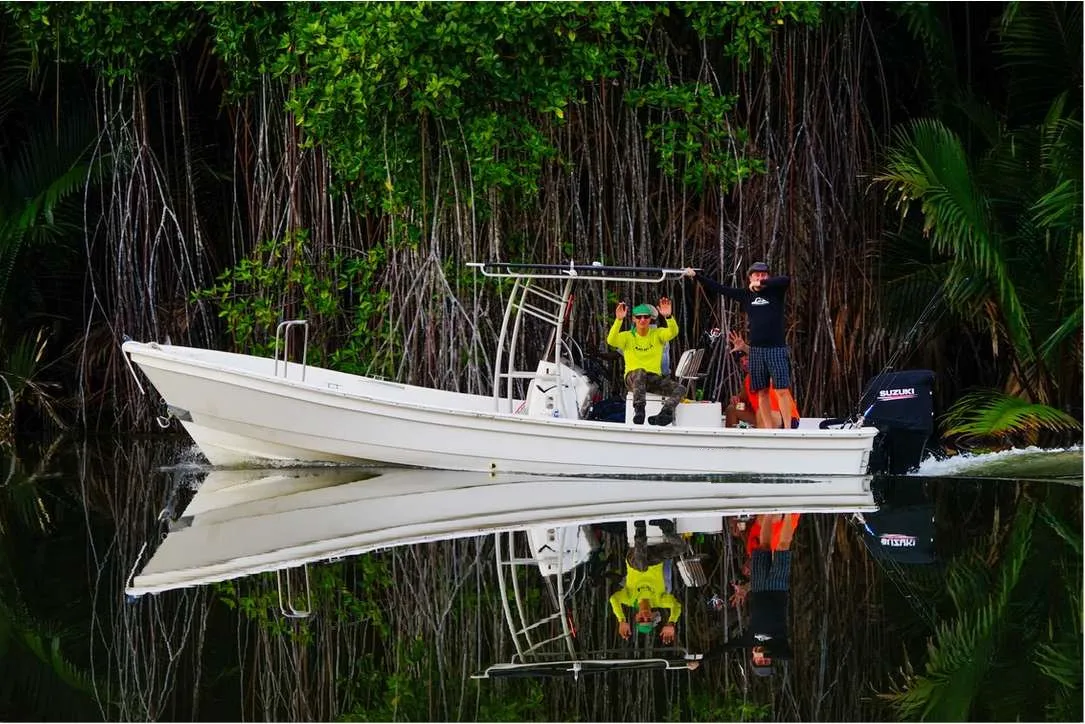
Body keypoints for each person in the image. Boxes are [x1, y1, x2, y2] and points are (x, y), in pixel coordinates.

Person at [684, 262, 797, 429]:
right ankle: (768, 429)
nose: (760, 277)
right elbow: (720, 288)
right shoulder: (746, 295)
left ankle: (788, 429)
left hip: (776, 348)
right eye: (756, 275)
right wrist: (696, 276)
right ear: (749, 277)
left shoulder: (775, 292)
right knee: (762, 392)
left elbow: (786, 280)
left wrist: (762, 284)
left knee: (781, 390)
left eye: (763, 274)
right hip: (757, 350)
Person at [726, 513, 798, 676]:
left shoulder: (750, 639)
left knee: (763, 546)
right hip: (778, 588)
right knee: (783, 546)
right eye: (767, 661)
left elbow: (726, 647)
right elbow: (788, 656)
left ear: (752, 657)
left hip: (759, 587)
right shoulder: (779, 645)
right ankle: (789, 512)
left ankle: (769, 511)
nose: (763, 659)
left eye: (760, 662)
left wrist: (700, 661)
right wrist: (767, 652)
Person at [607, 297, 684, 426]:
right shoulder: (627, 336)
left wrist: (669, 317)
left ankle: (665, 413)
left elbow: (673, 332)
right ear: (633, 319)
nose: (642, 320)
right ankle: (639, 409)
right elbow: (611, 340)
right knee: (640, 372)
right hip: (633, 379)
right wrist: (618, 320)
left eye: (646, 317)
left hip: (652, 378)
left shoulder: (657, 334)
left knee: (680, 388)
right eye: (639, 317)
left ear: (650, 319)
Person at [608, 519, 687, 645]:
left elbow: (613, 599)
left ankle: (640, 530)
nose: (645, 616)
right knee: (682, 548)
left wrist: (621, 620)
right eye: (648, 618)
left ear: (636, 617)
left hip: (634, 559)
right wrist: (671, 622)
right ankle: (666, 527)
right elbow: (676, 606)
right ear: (652, 615)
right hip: (655, 558)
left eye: (641, 619)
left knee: (641, 566)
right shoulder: (659, 601)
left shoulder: (629, 599)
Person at [724, 332, 801, 429]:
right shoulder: (748, 381)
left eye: (747, 359)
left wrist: (744, 348)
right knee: (732, 409)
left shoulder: (768, 371)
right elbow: (742, 400)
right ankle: (731, 441)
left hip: (786, 418)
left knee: (763, 414)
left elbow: (765, 355)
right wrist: (735, 399)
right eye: (741, 362)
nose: (744, 363)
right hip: (762, 417)